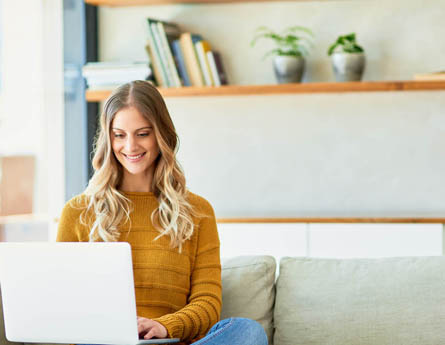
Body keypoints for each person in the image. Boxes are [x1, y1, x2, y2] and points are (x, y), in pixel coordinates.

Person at [56, 80, 268, 345]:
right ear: (108, 139)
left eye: (142, 133)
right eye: (119, 135)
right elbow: (64, 303)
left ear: (161, 135)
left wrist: (164, 326)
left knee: (247, 331)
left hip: (170, 341)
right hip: (105, 343)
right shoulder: (77, 212)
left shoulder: (198, 213)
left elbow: (207, 304)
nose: (130, 146)